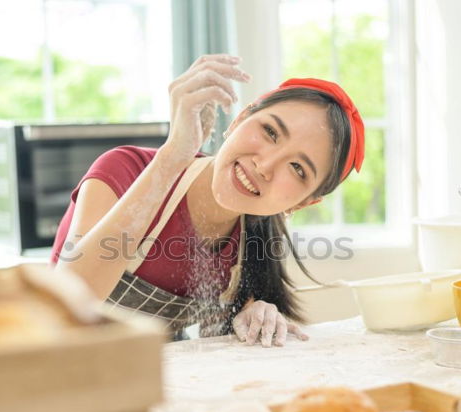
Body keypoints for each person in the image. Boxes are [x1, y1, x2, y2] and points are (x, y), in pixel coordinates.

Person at [52, 53, 364, 347]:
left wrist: (255, 317)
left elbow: (214, 352)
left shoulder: (250, 247)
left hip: (150, 381)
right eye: (270, 132)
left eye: (297, 169)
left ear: (301, 204)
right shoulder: (124, 170)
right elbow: (65, 304)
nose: (265, 166)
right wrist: (173, 156)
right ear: (238, 120)